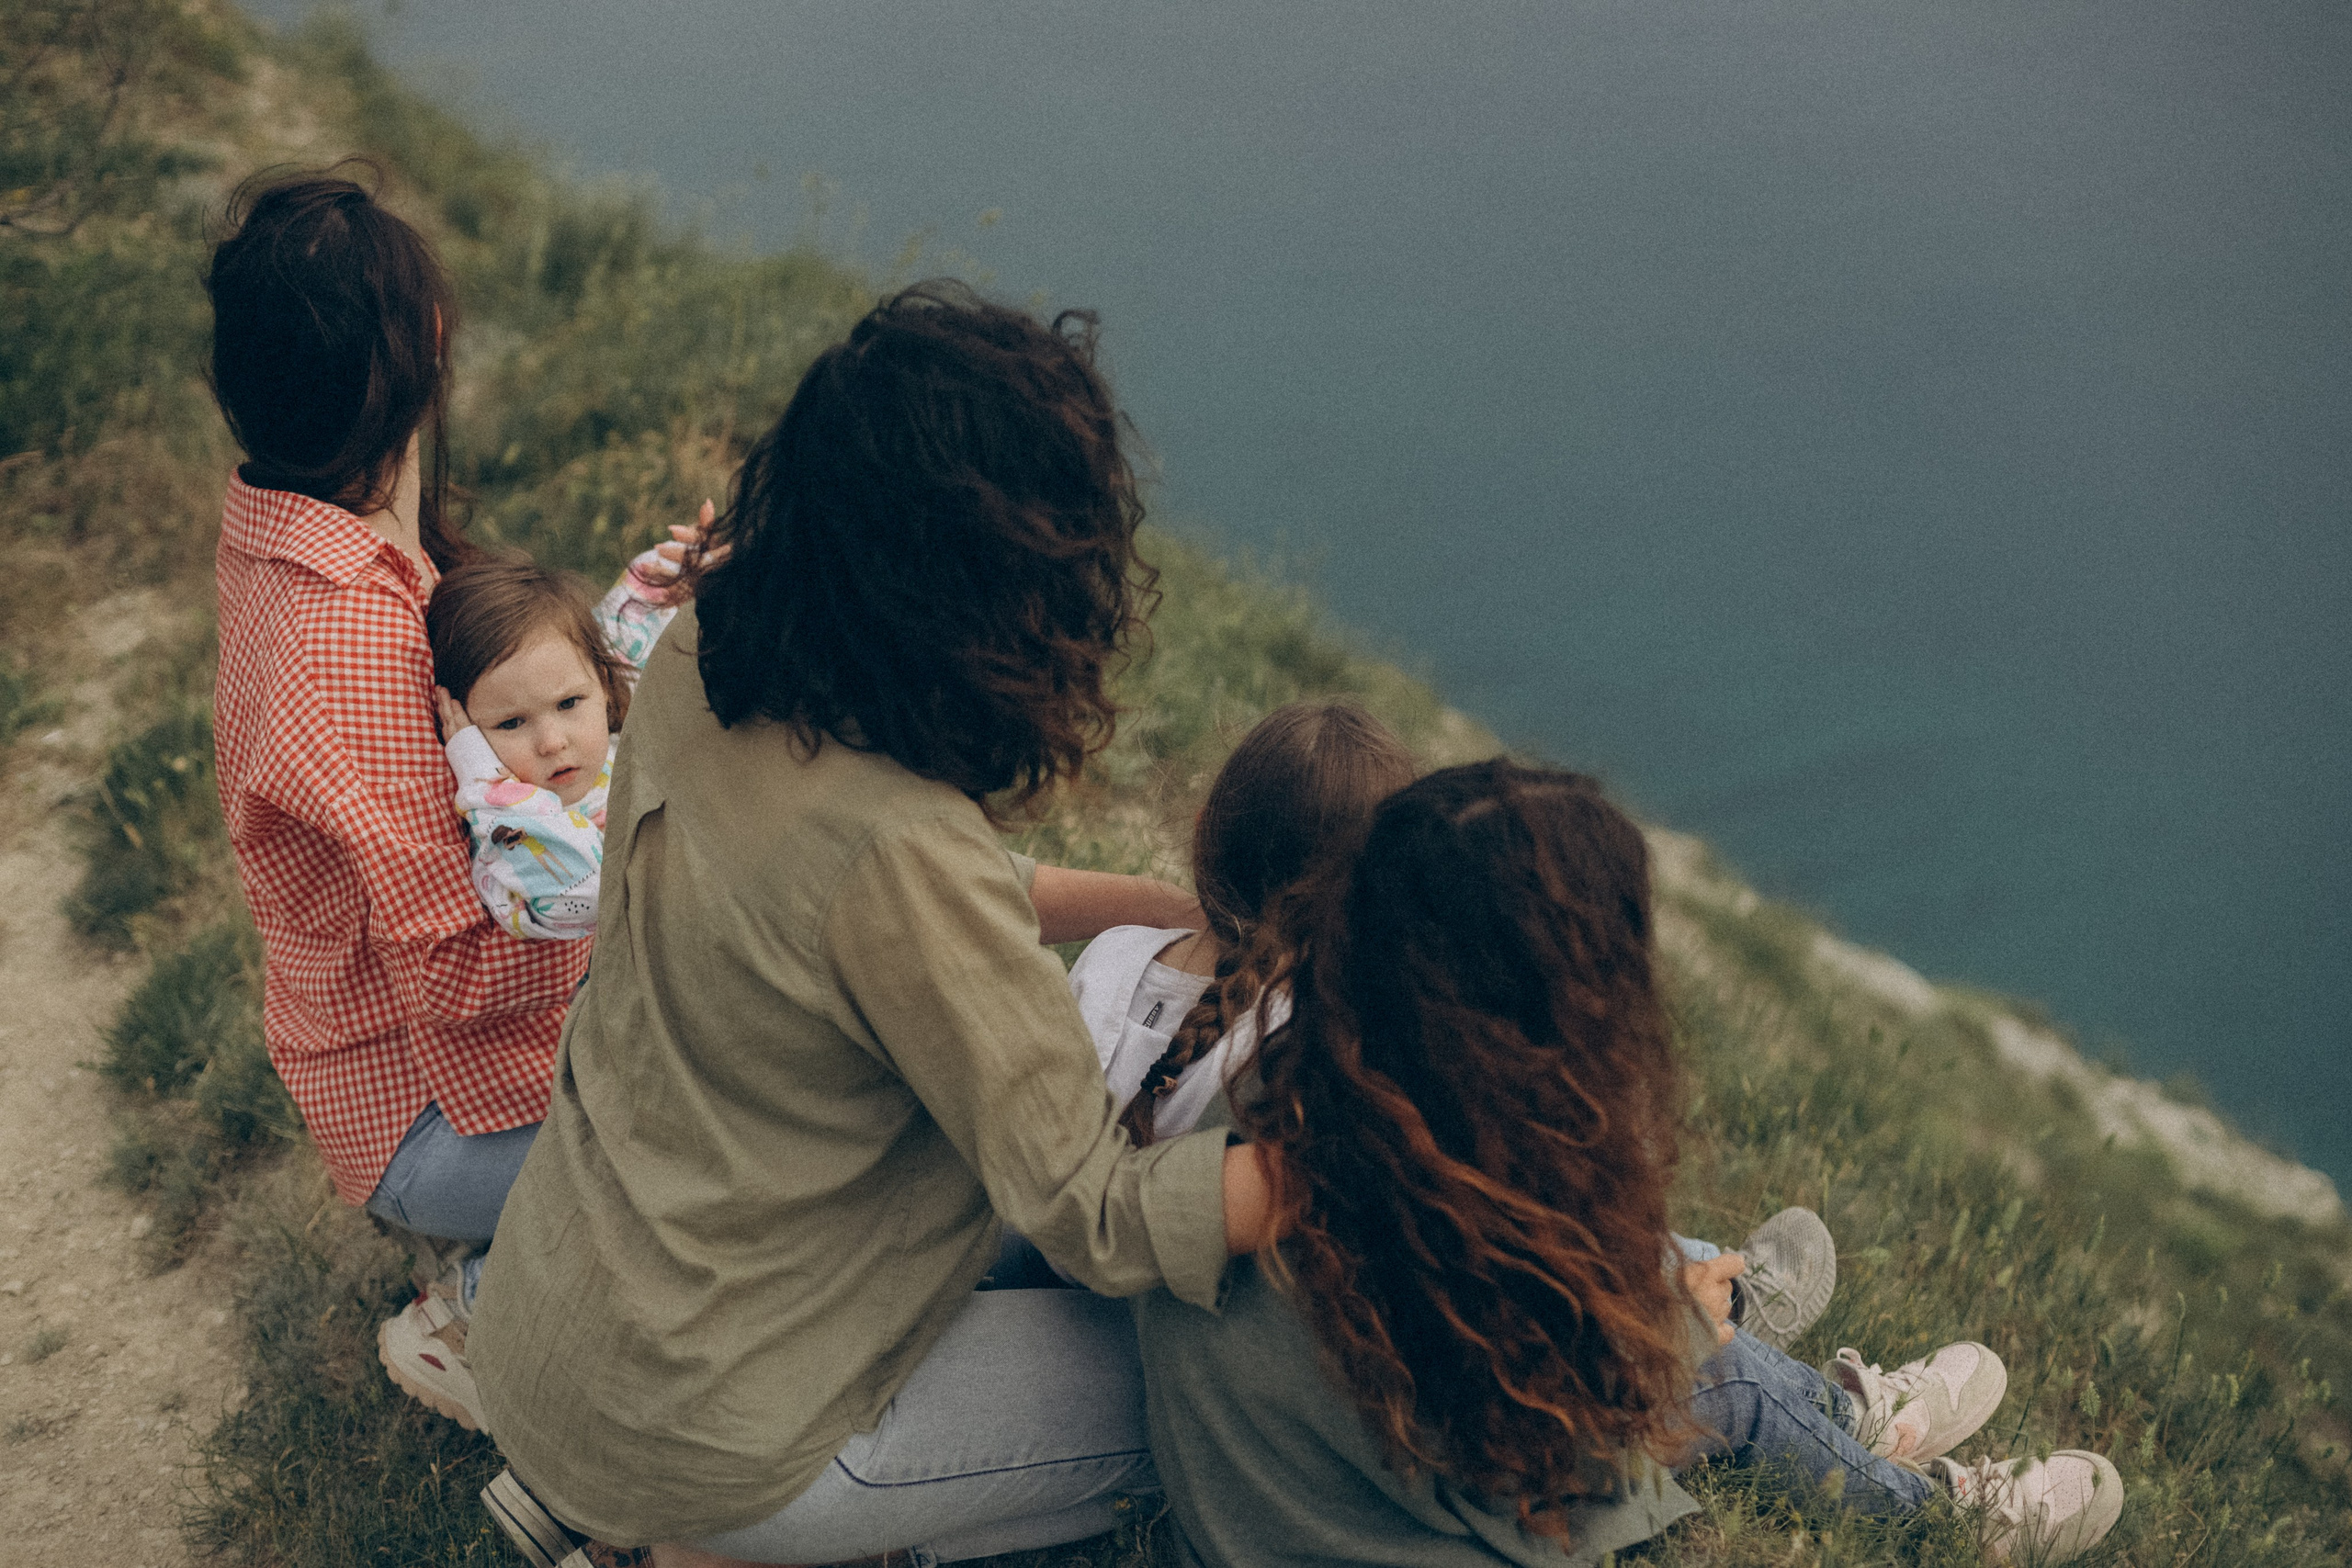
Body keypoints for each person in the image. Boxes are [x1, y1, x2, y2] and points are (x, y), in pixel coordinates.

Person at [203, 172, 1205, 1436]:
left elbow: (510, 781)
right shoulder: (345, 639)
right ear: (431, 347)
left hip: (421, 1068)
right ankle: (494, 1303)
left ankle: (543, 1276)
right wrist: (682, 891)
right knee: (841, 1129)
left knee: (798, 1056)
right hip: (439, 1115)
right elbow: (458, 971)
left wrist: (633, 648)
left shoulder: (295, 537)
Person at [465, 283, 1279, 1568]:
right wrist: (1352, 1180)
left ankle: (643, 1518)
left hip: (561, 1318)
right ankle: (707, 1546)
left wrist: (1157, 905)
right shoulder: (902, 852)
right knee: (1203, 1389)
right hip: (714, 1427)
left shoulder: (696, 652)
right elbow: (1101, 1214)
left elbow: (880, 905)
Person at [1134, 760, 2125, 1566]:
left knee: (1649, 1290)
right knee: (1726, 1382)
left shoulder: (1293, 1084)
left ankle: (1842, 1408)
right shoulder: (1445, 1235)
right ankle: (1940, 1516)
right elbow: (1557, 1473)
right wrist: (1679, 1339)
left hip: (1255, 1510)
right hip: (1373, 1532)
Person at [1071, 698, 1835, 1348]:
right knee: (1567, 1241)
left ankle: (1716, 1280)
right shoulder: (1311, 1039)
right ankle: (1742, 1310)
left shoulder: (1110, 955)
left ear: (1203, 827)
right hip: (1219, 1321)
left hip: (1101, 1281)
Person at [426, 548, 680, 942]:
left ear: (602, 683)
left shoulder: (610, 726)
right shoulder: (501, 837)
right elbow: (591, 894)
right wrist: (482, 778)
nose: (552, 742)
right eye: (511, 723)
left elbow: (628, 632)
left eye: (568, 703)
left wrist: (687, 561)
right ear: (468, 733)